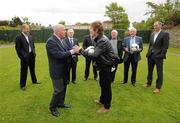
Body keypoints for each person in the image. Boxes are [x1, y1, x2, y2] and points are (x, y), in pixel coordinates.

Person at [74, 21, 119, 113]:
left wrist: (80, 50)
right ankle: (102, 100)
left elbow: (94, 55)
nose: (89, 30)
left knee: (106, 86)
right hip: (103, 66)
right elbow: (96, 52)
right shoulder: (98, 38)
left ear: (96, 30)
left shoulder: (102, 40)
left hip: (107, 66)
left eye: (91, 28)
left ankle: (106, 107)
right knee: (102, 84)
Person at [46, 24, 79, 117]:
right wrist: (73, 52)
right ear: (58, 31)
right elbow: (58, 55)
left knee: (64, 88)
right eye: (64, 30)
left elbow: (66, 51)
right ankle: (52, 107)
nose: (66, 31)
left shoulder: (61, 40)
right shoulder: (51, 41)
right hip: (57, 71)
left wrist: (76, 51)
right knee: (58, 90)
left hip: (64, 70)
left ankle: (61, 103)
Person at [144, 21, 169, 93]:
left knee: (159, 72)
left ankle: (158, 87)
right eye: (154, 26)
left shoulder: (165, 34)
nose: (155, 27)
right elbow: (150, 45)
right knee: (150, 70)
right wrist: (148, 53)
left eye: (156, 25)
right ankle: (149, 83)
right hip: (150, 56)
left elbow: (165, 46)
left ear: (160, 26)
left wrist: (162, 55)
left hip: (159, 56)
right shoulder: (152, 34)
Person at [15, 24, 40, 91]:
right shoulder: (18, 37)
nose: (28, 30)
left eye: (28, 28)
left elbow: (33, 46)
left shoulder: (30, 36)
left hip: (32, 55)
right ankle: (22, 85)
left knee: (32, 69)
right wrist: (22, 57)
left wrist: (34, 53)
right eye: (26, 29)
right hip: (24, 57)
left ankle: (34, 81)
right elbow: (18, 49)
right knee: (24, 71)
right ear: (23, 29)